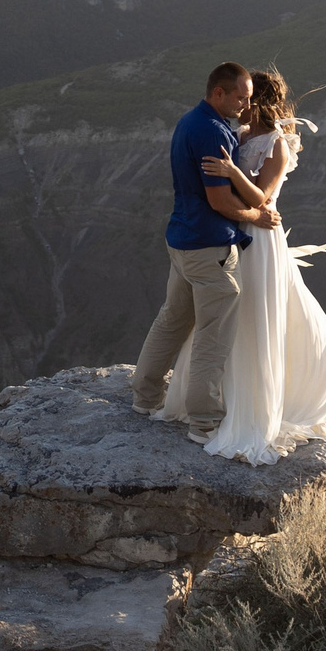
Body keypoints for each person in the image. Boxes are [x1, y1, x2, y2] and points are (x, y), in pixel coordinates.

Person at [160, 66, 326, 463]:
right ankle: (220, 398)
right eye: (241, 98)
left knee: (257, 315)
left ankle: (259, 397)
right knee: (226, 319)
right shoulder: (238, 135)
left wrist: (234, 172)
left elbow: (263, 200)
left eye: (250, 100)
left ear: (262, 103)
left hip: (261, 236)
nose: (244, 105)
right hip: (230, 234)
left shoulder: (277, 144)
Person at [130, 61, 278, 440]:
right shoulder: (215, 134)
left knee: (172, 319)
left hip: (181, 238)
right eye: (241, 98)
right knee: (214, 335)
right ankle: (204, 422)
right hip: (210, 245)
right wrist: (254, 216)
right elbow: (220, 202)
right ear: (219, 93)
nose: (246, 106)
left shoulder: (188, 121)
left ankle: (145, 397)